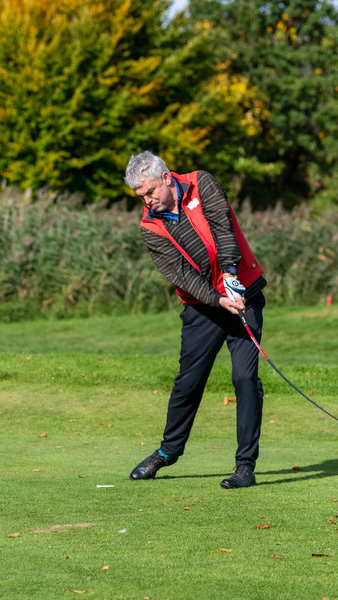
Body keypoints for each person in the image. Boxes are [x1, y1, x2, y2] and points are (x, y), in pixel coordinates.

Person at [124, 151, 267, 489]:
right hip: (203, 308)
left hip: (242, 294)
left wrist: (230, 275)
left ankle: (245, 467)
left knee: (245, 378)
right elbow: (182, 276)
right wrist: (218, 299)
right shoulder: (150, 226)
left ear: (165, 177)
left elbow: (223, 228)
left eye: (149, 192)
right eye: (140, 196)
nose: (147, 201)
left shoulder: (201, 183)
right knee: (188, 382)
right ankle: (168, 451)